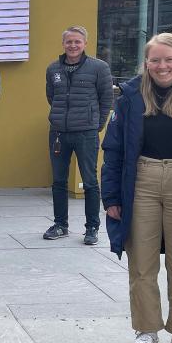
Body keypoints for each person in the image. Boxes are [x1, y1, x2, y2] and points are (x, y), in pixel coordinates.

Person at [101, 33, 172, 343]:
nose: (162, 66)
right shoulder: (130, 97)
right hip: (141, 181)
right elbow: (112, 148)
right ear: (146, 63)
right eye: (155, 60)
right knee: (142, 263)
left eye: (169, 59)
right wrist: (111, 196)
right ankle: (146, 330)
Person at [44, 25, 113, 244]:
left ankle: (92, 228)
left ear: (85, 43)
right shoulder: (53, 68)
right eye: (69, 42)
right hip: (58, 133)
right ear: (63, 44)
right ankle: (60, 225)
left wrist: (96, 125)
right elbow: (51, 97)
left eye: (77, 42)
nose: (73, 45)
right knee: (58, 181)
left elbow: (106, 100)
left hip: (86, 133)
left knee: (90, 182)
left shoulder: (99, 68)